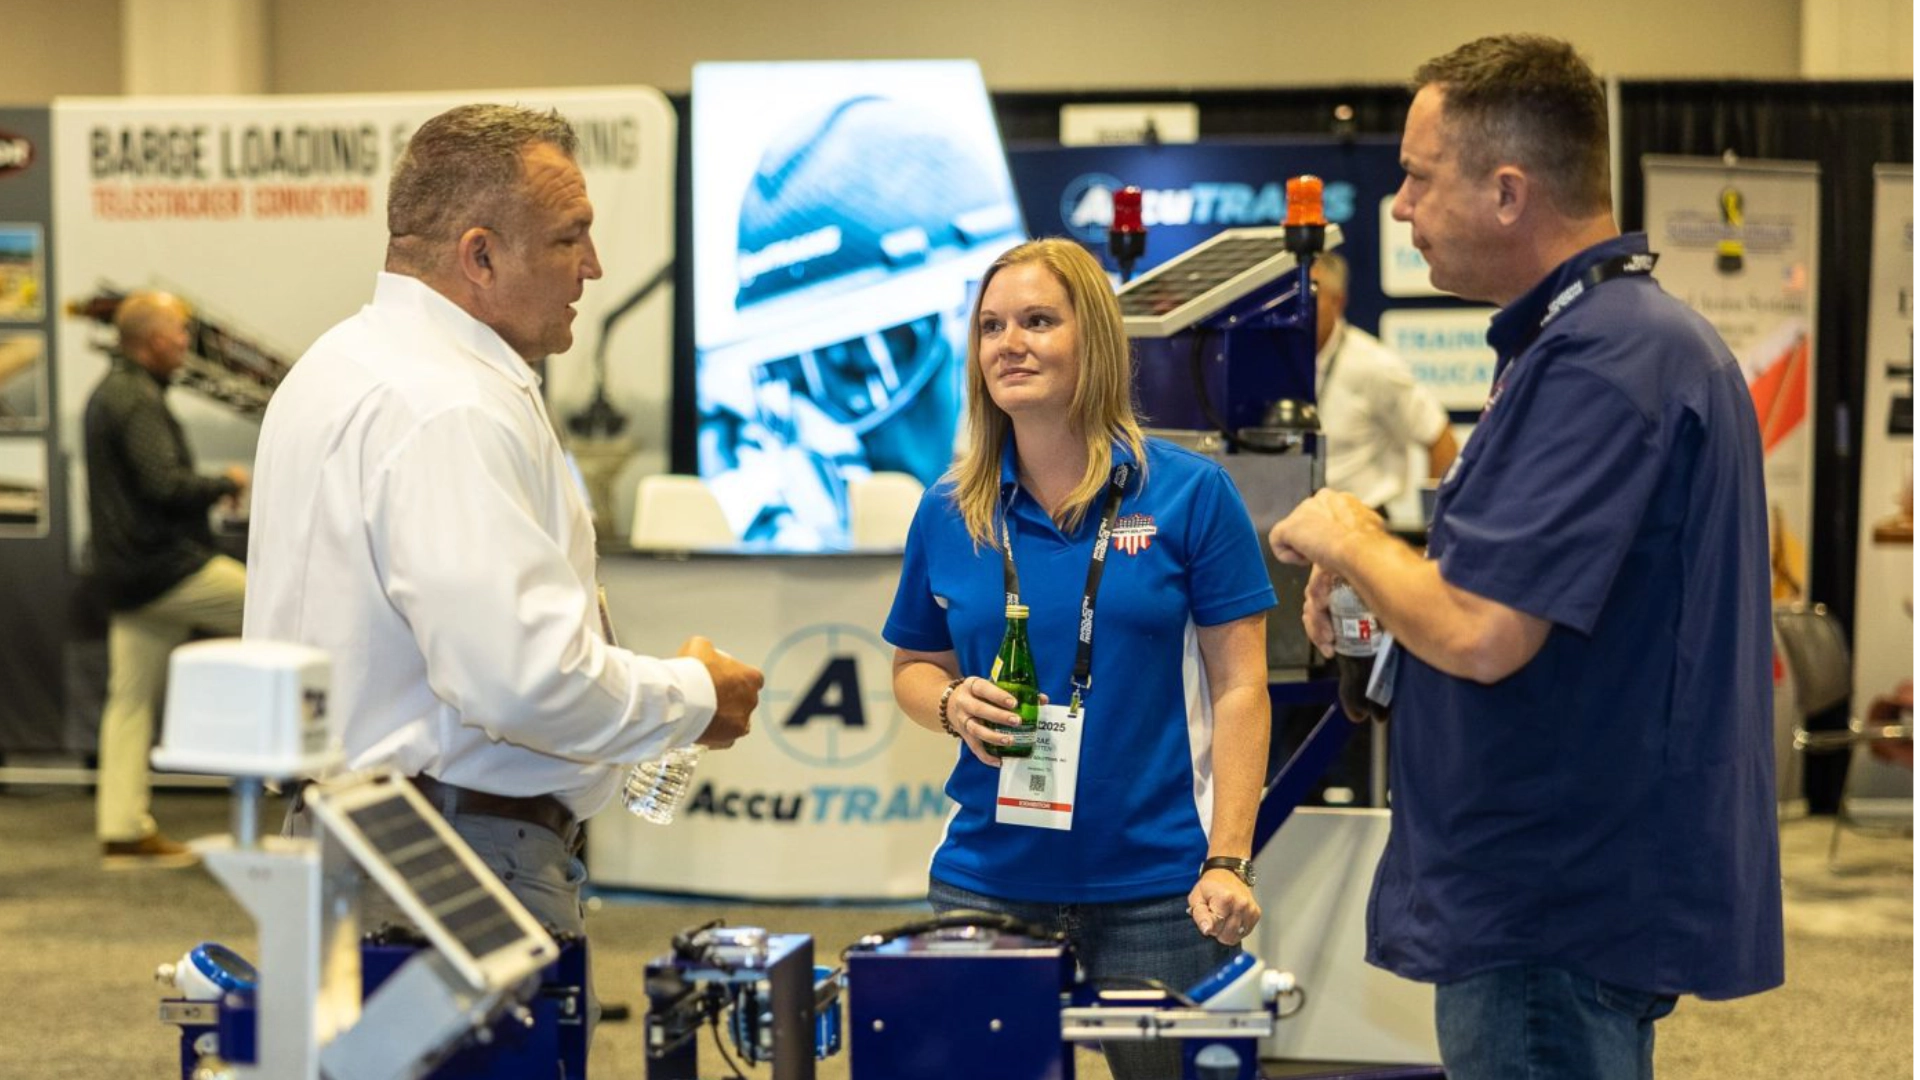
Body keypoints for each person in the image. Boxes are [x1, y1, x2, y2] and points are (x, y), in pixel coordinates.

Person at [1267, 35, 1783, 1079]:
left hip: (1551, 904)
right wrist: (1381, 583)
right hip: (1565, 884)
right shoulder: (1609, 344)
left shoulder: (1602, 361)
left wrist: (1351, 534)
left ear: (1507, 192)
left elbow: (1483, 630)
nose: (1399, 208)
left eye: (1418, 178)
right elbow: (1523, 589)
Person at [243, 104, 762, 938]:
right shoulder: (448, 404)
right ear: (480, 255)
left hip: (369, 844)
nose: (593, 266)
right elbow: (521, 681)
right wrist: (696, 695)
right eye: (568, 238)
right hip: (453, 863)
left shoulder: (340, 364)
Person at [884, 237, 1275, 1080]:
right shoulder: (948, 509)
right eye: (991, 326)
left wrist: (1229, 858)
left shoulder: (1190, 493)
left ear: (1092, 338)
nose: (1009, 344)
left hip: (1162, 890)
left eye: (1037, 321)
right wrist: (949, 704)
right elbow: (913, 666)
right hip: (988, 880)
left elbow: (1243, 686)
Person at [84, 290, 248, 869]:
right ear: (154, 339)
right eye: (180, 331)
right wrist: (227, 482)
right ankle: (340, 792)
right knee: (287, 619)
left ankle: (122, 831)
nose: (186, 341)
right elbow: (164, 484)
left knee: (128, 704)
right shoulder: (135, 399)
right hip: (165, 569)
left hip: (129, 576)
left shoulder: (116, 392)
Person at [1310, 250, 1457, 518]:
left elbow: (1440, 439)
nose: (1299, 308)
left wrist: (1436, 528)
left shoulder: (1373, 364)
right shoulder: (1276, 363)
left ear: (1337, 301)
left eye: (1311, 296)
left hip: (1365, 522)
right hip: (1299, 524)